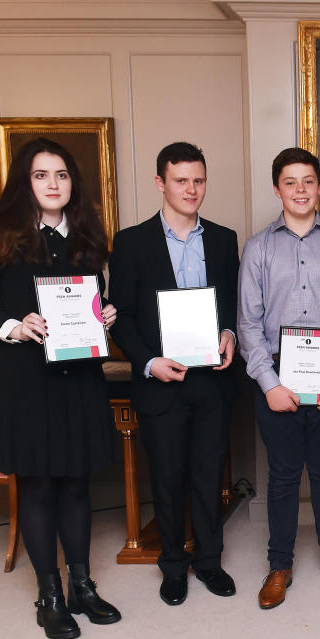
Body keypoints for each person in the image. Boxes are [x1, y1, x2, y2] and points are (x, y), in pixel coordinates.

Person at [0, 137, 121, 639]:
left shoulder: (88, 233)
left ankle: (83, 586)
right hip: (26, 379)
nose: (53, 184)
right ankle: (48, 596)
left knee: (76, 482)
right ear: (24, 183)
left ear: (73, 183)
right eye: (41, 175)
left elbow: (89, 297)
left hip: (78, 376)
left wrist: (107, 313)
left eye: (62, 175)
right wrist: (15, 324)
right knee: (39, 484)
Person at [108, 141, 240, 606]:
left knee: (209, 475)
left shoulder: (224, 239)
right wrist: (148, 362)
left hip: (211, 381)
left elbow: (233, 306)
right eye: (181, 180)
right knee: (166, 478)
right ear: (161, 183)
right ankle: (173, 566)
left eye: (198, 180)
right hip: (159, 380)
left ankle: (208, 561)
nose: (191, 189)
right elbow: (120, 315)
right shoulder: (130, 242)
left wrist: (228, 332)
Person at [238, 147, 320, 607]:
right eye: (290, 182)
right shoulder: (258, 248)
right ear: (277, 189)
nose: (299, 190)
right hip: (277, 377)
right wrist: (269, 384)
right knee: (284, 475)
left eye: (308, 181)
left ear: (319, 186)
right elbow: (248, 324)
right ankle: (280, 565)